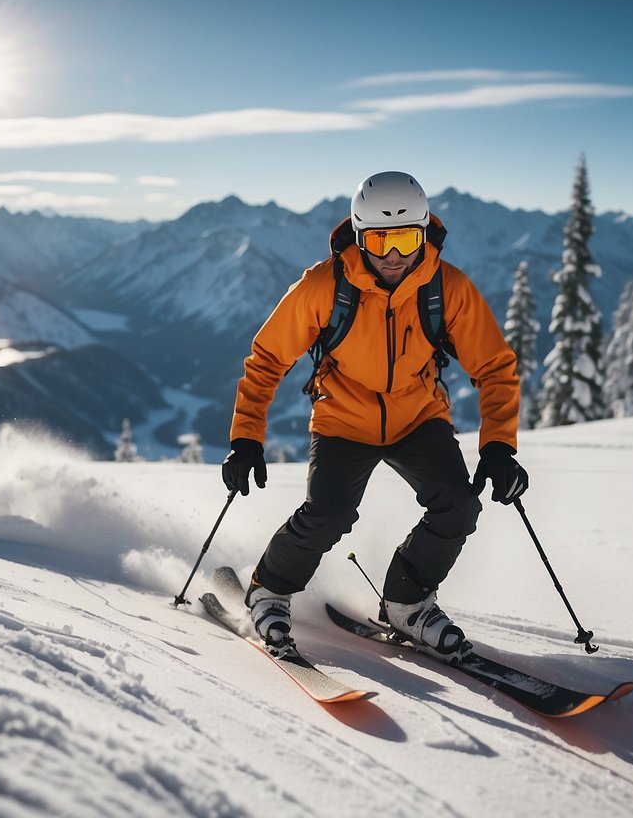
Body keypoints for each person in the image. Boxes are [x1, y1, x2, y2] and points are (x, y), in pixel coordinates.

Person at [221, 171, 528, 663]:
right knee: (328, 515)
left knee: (459, 504)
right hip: (343, 419)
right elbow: (266, 361)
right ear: (360, 237)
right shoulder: (323, 286)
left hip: (418, 418)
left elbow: (495, 366)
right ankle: (268, 591)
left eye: (406, 237)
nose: (393, 254)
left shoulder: (447, 288)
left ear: (424, 233)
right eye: (379, 238)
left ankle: (407, 603)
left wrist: (498, 447)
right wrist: (246, 439)